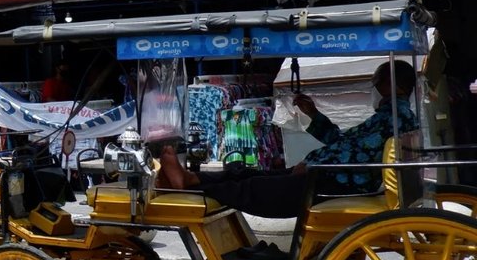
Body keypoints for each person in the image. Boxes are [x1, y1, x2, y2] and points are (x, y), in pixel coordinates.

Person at [156, 60, 418, 224]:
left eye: (375, 82)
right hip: (332, 175)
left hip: (331, 181)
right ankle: (191, 179)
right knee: (246, 172)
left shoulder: (393, 119)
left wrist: (313, 165)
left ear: (390, 85)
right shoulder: (392, 117)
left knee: (253, 186)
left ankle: (192, 183)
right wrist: (313, 115)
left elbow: (352, 154)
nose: (372, 87)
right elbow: (345, 144)